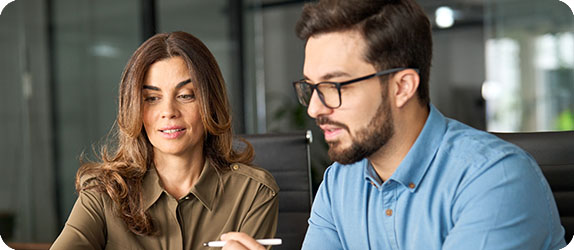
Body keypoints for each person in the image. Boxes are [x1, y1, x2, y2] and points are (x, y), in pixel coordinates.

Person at [222, 0, 566, 249]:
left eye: (334, 87)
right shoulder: (340, 182)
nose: (314, 108)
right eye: (311, 87)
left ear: (402, 87)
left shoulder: (495, 179)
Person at [51, 31, 279, 250]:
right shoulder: (103, 192)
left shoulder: (253, 192)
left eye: (185, 95)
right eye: (152, 98)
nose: (168, 111)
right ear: (135, 108)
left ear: (210, 102)